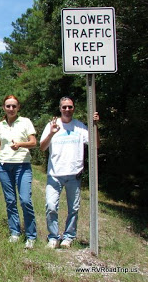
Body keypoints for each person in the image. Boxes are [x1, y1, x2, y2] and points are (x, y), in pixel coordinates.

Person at [40, 96, 99, 249]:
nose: (67, 109)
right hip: (55, 175)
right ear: (60, 109)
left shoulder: (80, 127)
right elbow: (42, 147)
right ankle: (53, 237)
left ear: (73, 109)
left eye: (70, 107)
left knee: (74, 208)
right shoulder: (52, 125)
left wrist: (95, 126)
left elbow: (95, 145)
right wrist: (52, 133)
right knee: (51, 206)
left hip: (74, 175)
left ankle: (68, 237)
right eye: (64, 107)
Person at [0, 95, 37, 249]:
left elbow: (33, 143)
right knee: (10, 201)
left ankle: (31, 236)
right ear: (4, 108)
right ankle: (15, 232)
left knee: (25, 200)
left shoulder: (25, 122)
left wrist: (20, 144)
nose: (11, 109)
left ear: (18, 107)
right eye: (8, 106)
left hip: (22, 165)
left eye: (14, 106)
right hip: (4, 167)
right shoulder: (0, 125)